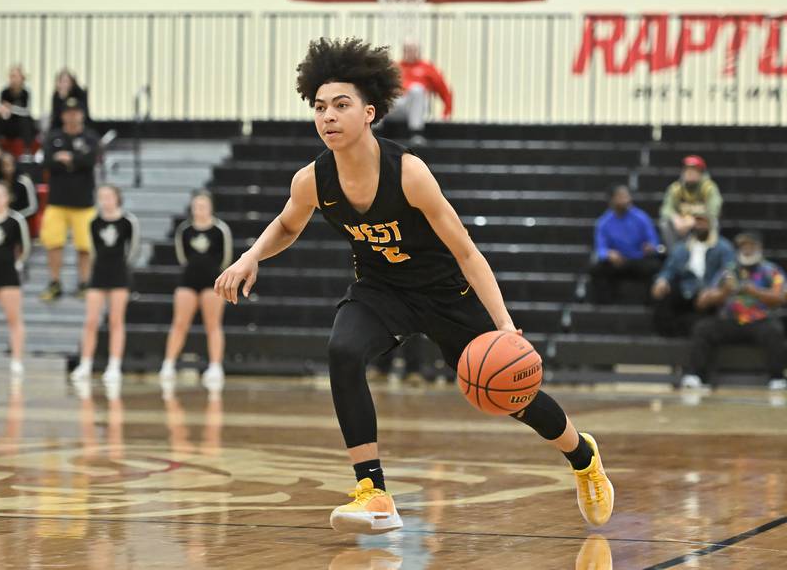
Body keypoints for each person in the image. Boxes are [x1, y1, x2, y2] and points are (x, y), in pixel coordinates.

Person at [214, 38, 614, 535]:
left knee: (513, 392)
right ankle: (374, 492)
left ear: (369, 112)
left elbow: (468, 252)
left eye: (341, 105)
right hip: (381, 291)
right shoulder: (311, 180)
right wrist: (251, 255)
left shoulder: (408, 173)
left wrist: (506, 327)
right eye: (320, 108)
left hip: (446, 293)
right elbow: (287, 224)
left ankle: (582, 456)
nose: (328, 117)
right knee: (342, 351)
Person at [688, 232, 786, 391]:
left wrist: (755, 292)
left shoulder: (771, 270)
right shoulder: (728, 271)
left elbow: (781, 297)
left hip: (759, 321)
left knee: (775, 331)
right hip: (730, 320)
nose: (746, 249)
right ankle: (695, 375)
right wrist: (723, 293)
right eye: (743, 246)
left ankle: (777, 378)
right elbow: (702, 302)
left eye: (750, 245)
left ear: (759, 248)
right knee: (702, 328)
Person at [158, 191, 232, 392]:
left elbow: (226, 258)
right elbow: (182, 257)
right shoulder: (185, 230)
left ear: (210, 207)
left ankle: (216, 366)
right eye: (196, 206)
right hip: (188, 280)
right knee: (179, 323)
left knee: (213, 324)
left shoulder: (220, 230)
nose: (199, 210)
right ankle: (168, 364)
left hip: (213, 282)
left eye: (203, 206)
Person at [70, 185, 140, 385]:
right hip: (99, 274)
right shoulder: (94, 222)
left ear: (117, 198)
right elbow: (93, 249)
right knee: (90, 320)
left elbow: (133, 249)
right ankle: (85, 364)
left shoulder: (128, 221)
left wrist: (123, 268)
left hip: (119, 274)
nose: (105, 200)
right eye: (102, 197)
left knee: (116, 321)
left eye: (109, 196)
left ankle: (114, 365)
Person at [39, 97, 99, 301]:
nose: (72, 116)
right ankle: (55, 283)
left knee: (84, 246)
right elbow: (47, 162)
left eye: (76, 112)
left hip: (83, 203)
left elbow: (90, 161)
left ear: (82, 115)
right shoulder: (54, 137)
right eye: (68, 112)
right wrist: (73, 161)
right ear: (63, 115)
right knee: (54, 244)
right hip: (57, 202)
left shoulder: (90, 137)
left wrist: (68, 158)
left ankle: (84, 283)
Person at [651, 211, 734, 336]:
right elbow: (670, 268)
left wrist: (714, 290)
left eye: (703, 222)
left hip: (709, 290)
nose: (699, 225)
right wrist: (662, 280)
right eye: (697, 222)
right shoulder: (682, 247)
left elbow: (728, 270)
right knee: (663, 294)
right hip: (687, 288)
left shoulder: (724, 247)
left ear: (711, 224)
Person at [0, 181, 31, 378]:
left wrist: (18, 264)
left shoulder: (16, 220)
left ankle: (17, 360)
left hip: (8, 274)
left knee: (14, 319)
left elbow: (26, 246)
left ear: (7, 198)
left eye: (1, 195)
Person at [590, 184, 661, 304]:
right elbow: (600, 249)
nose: (626, 199)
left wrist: (650, 247)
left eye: (627, 196)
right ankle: (604, 305)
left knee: (655, 266)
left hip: (638, 260)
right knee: (596, 269)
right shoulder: (603, 222)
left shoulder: (641, 217)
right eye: (621, 197)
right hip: (618, 262)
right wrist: (609, 254)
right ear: (612, 200)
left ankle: (650, 303)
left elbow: (654, 241)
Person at [386, 41, 453, 146]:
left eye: (413, 50)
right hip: (397, 105)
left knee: (417, 89)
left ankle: (416, 133)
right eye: (407, 50)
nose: (410, 53)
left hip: (416, 105)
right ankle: (373, 131)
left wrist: (446, 113)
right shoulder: (395, 67)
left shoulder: (428, 68)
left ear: (419, 51)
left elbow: (444, 90)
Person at [659, 155, 723, 249]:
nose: (689, 173)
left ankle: (710, 252)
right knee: (665, 223)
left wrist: (694, 221)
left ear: (701, 173)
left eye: (694, 170)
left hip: (701, 225)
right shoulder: (677, 188)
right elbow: (666, 209)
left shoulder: (708, 188)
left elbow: (714, 210)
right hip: (682, 226)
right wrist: (676, 219)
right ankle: (675, 253)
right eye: (687, 170)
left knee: (714, 222)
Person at [0, 65, 35, 151]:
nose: (14, 79)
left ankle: (27, 150)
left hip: (20, 123)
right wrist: (3, 111)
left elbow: (25, 111)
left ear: (22, 78)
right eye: (12, 76)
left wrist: (11, 108)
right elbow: (2, 108)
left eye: (16, 76)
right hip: (8, 122)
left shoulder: (25, 93)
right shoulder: (5, 92)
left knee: (27, 121)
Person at [0, 153, 38, 219]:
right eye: (4, 165)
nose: (8, 168)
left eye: (11, 164)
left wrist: (15, 217)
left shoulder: (24, 181)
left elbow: (33, 207)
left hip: (20, 218)